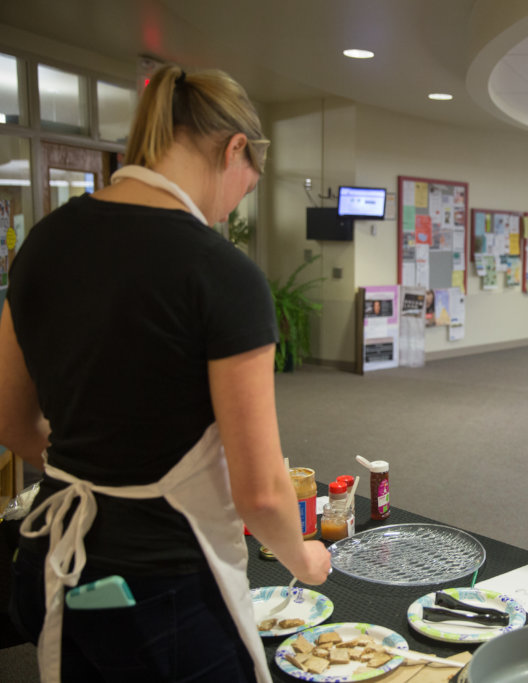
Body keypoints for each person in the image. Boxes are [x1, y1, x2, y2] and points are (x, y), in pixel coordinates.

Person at [0, 65, 331, 682]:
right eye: (246, 184)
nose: (233, 205)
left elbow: (13, 422)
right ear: (236, 149)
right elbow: (259, 490)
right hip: (160, 594)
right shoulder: (221, 273)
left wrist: (101, 469)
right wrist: (305, 559)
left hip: (50, 565)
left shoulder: (42, 244)